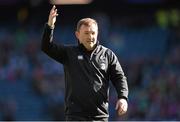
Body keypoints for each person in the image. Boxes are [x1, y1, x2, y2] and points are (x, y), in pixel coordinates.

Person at [41, 5, 129, 121]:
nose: (90, 36)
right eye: (86, 33)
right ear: (77, 35)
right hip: (75, 117)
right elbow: (46, 47)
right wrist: (50, 26)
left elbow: (119, 77)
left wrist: (122, 97)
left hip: (100, 117)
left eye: (93, 33)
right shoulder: (69, 53)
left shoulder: (108, 55)